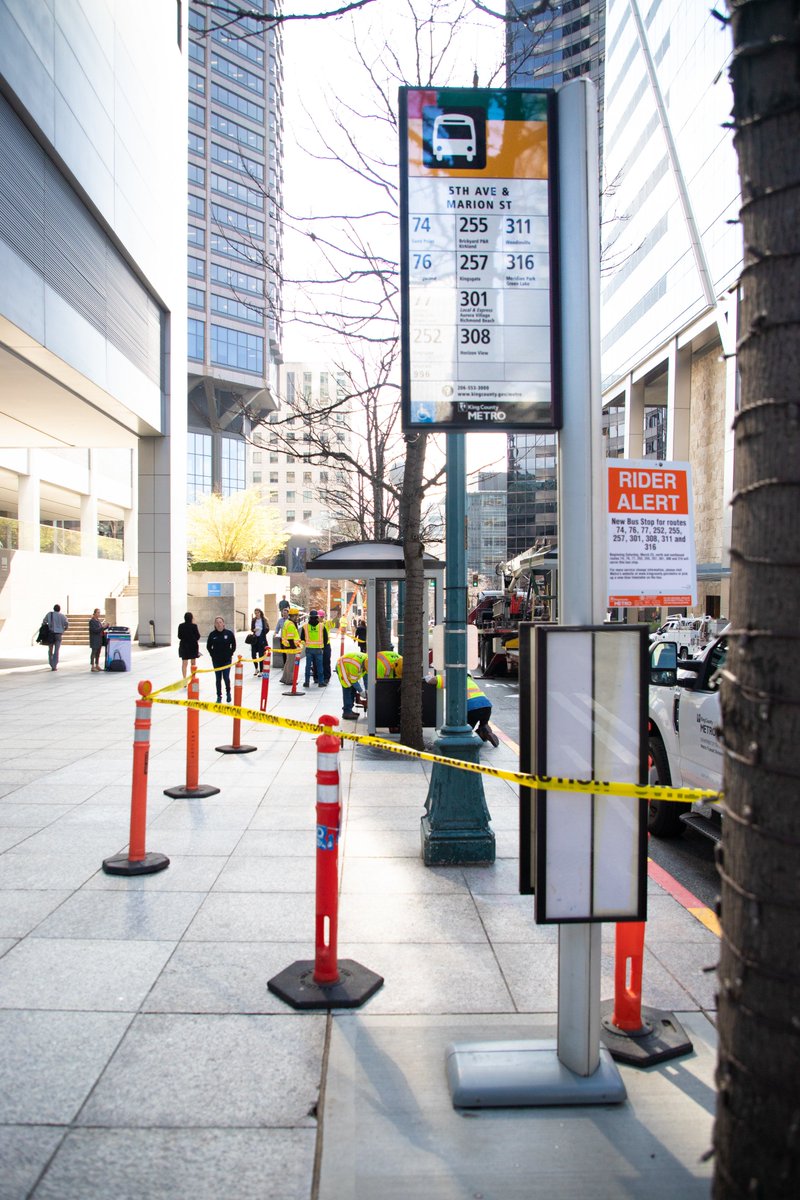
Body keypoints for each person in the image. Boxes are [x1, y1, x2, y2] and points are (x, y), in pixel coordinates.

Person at [425, 668, 499, 747]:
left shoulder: (452, 679)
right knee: (483, 725)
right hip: (486, 706)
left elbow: (432, 680)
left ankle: (480, 734)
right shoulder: (470, 680)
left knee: (466, 731)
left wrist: (428, 676)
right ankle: (485, 731)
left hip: (472, 708)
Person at [206, 615, 236, 702]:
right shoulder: (212, 635)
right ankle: (219, 696)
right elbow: (208, 646)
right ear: (215, 625)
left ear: (223, 624)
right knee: (218, 679)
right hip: (216, 661)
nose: (218, 624)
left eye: (220, 622)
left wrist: (230, 653)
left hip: (226, 660)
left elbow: (233, 645)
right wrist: (213, 655)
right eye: (217, 623)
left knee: (226, 677)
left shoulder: (229, 634)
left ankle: (228, 693)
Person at [336, 650, 368, 719]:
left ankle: (350, 709)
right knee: (347, 687)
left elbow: (366, 679)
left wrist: (367, 690)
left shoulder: (368, 661)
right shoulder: (355, 665)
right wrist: (361, 692)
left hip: (348, 664)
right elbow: (354, 681)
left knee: (353, 689)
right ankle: (347, 712)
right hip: (342, 666)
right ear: (364, 666)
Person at [300, 609, 328, 687]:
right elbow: (326, 638)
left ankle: (306, 682)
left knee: (308, 666)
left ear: (309, 617)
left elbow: (302, 638)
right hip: (319, 649)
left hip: (309, 649)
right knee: (319, 666)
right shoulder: (322, 626)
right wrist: (323, 647)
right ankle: (321, 682)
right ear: (317, 617)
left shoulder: (305, 626)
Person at [280, 606, 301, 684]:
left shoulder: (288, 622)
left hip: (288, 645)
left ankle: (284, 678)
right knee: (291, 664)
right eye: (297, 616)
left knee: (288, 662)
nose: (297, 617)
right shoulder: (291, 624)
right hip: (291, 646)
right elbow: (291, 638)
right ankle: (290, 680)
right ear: (294, 616)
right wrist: (294, 647)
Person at [45, 604, 69, 671]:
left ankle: (51, 663)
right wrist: (63, 629)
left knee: (50, 649)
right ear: (59, 609)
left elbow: (44, 622)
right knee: (56, 650)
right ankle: (54, 665)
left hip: (51, 634)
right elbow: (67, 625)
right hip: (59, 634)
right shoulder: (63, 616)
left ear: (53, 609)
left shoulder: (49, 614)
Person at [177, 612, 201, 678]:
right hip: (193, 646)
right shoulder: (194, 626)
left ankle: (184, 679)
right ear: (191, 618)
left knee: (184, 663)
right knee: (193, 663)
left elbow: (179, 636)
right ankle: (193, 677)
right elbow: (198, 636)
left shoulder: (181, 626)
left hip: (184, 646)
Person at [249, 608, 269, 676]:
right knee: (253, 654)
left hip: (261, 639)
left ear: (260, 613)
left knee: (261, 655)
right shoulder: (254, 620)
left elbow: (267, 629)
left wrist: (262, 631)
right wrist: (254, 630)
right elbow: (251, 629)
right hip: (255, 639)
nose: (257, 614)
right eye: (255, 613)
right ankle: (256, 668)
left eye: (258, 613)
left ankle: (261, 671)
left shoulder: (264, 620)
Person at [88, 607, 108, 672]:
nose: (99, 614)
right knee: (94, 652)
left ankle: (97, 665)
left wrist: (106, 626)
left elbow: (100, 629)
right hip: (94, 639)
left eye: (99, 612)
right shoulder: (92, 621)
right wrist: (102, 627)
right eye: (98, 612)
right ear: (95, 613)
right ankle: (92, 666)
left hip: (99, 639)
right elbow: (95, 630)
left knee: (98, 653)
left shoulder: (98, 620)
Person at [319, 611, 333, 684]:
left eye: (321, 617)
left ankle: (326, 677)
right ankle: (319, 677)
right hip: (318, 645)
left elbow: (332, 625)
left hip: (326, 644)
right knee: (318, 662)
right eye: (319, 617)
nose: (320, 618)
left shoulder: (326, 623)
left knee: (326, 661)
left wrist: (332, 620)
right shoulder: (316, 624)